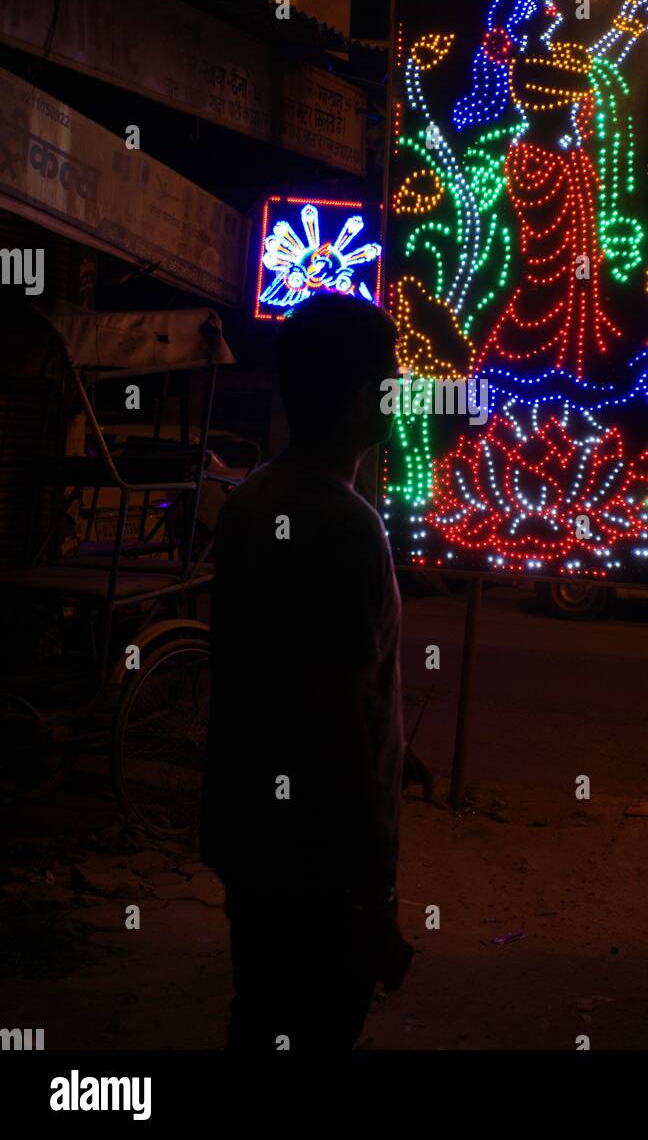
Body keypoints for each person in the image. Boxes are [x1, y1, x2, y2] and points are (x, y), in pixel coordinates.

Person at [200, 292, 413, 1051]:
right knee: (314, 1026)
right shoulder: (348, 526)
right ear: (363, 400)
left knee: (259, 1015)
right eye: (395, 380)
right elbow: (335, 718)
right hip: (319, 869)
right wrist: (369, 901)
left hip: (248, 842)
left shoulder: (250, 502)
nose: (405, 394)